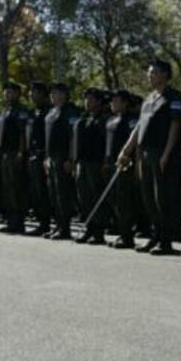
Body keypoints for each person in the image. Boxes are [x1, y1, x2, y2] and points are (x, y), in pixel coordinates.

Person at [118, 60, 181, 256]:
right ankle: (155, 237)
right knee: (148, 198)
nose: (149, 76)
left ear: (165, 74)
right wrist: (126, 150)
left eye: (153, 72)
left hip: (161, 153)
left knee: (162, 198)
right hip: (145, 153)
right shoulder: (149, 99)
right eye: (149, 73)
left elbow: (175, 126)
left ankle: (165, 241)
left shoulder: (173, 97)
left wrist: (166, 153)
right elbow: (139, 127)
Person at [73, 88, 110, 244]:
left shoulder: (105, 120)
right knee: (84, 197)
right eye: (86, 99)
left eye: (91, 99)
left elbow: (107, 144)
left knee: (96, 197)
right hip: (83, 162)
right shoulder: (84, 119)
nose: (87, 102)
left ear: (99, 102)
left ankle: (98, 231)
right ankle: (89, 229)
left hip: (96, 163)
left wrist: (105, 162)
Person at [44, 83, 80, 240]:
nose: (52, 96)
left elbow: (73, 137)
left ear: (64, 94)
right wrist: (46, 157)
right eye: (51, 93)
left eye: (56, 93)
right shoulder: (52, 112)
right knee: (54, 194)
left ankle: (65, 228)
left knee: (63, 194)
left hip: (63, 156)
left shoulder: (70, 112)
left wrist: (71, 158)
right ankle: (58, 225)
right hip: (51, 156)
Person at [105, 89, 139, 249]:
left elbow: (136, 144)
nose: (112, 103)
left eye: (116, 100)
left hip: (125, 165)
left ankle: (127, 235)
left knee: (124, 200)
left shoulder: (131, 120)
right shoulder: (111, 120)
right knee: (115, 199)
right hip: (111, 163)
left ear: (125, 102)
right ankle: (121, 231)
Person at [0, 82, 29, 234]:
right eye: (5, 92)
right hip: (5, 153)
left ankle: (18, 222)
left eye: (10, 92)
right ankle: (10, 219)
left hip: (15, 152)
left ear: (17, 94)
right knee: (7, 188)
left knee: (16, 188)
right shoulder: (4, 112)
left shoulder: (21, 111)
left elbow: (23, 133)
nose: (7, 95)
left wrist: (21, 152)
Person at [25, 82, 53, 236]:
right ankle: (41, 222)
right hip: (33, 154)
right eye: (30, 92)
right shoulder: (32, 112)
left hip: (44, 154)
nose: (31, 95)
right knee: (36, 191)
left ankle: (47, 223)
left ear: (43, 94)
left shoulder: (49, 112)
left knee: (44, 191)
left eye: (34, 92)